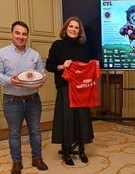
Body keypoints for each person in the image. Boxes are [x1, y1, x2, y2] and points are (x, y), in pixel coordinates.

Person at [0, 21, 48, 174]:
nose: (21, 36)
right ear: (12, 34)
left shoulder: (34, 55)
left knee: (35, 131)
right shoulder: (1, 54)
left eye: (24, 34)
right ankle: (17, 162)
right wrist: (10, 80)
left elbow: (43, 74)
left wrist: (42, 80)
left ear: (27, 36)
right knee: (14, 133)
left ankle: (37, 158)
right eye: (17, 33)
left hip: (33, 100)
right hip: (12, 101)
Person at [45, 17, 97, 166]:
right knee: (66, 120)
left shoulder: (84, 47)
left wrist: (94, 65)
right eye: (71, 26)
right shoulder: (57, 45)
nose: (73, 29)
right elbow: (49, 66)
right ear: (65, 28)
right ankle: (66, 151)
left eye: (76, 27)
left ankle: (81, 150)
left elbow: (87, 66)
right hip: (65, 88)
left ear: (79, 31)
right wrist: (62, 66)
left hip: (81, 89)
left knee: (82, 119)